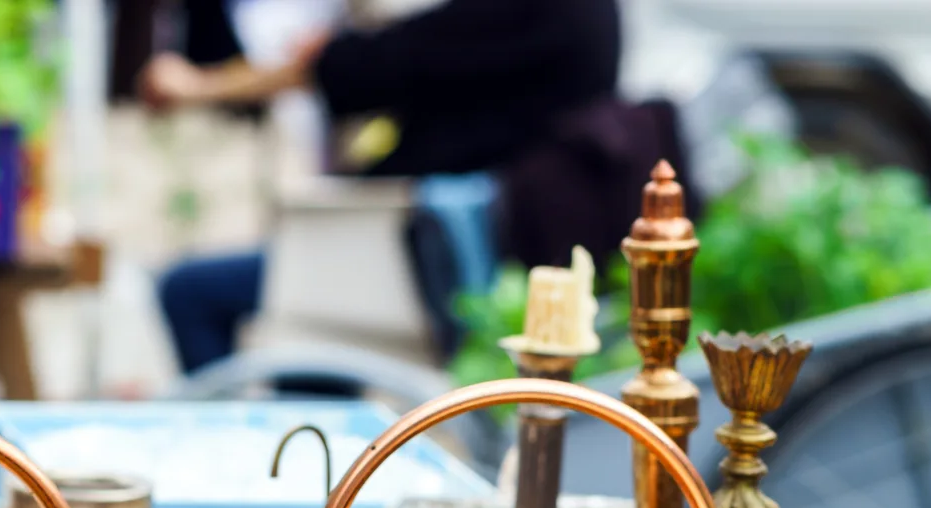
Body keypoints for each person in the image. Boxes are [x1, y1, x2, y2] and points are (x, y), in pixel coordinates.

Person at [143, 0, 623, 374]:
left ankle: (245, 459)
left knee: (189, 290)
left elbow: (362, 66)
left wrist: (199, 85)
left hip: (428, 255)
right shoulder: (586, 15)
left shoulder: (527, 12)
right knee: (311, 316)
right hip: (458, 250)